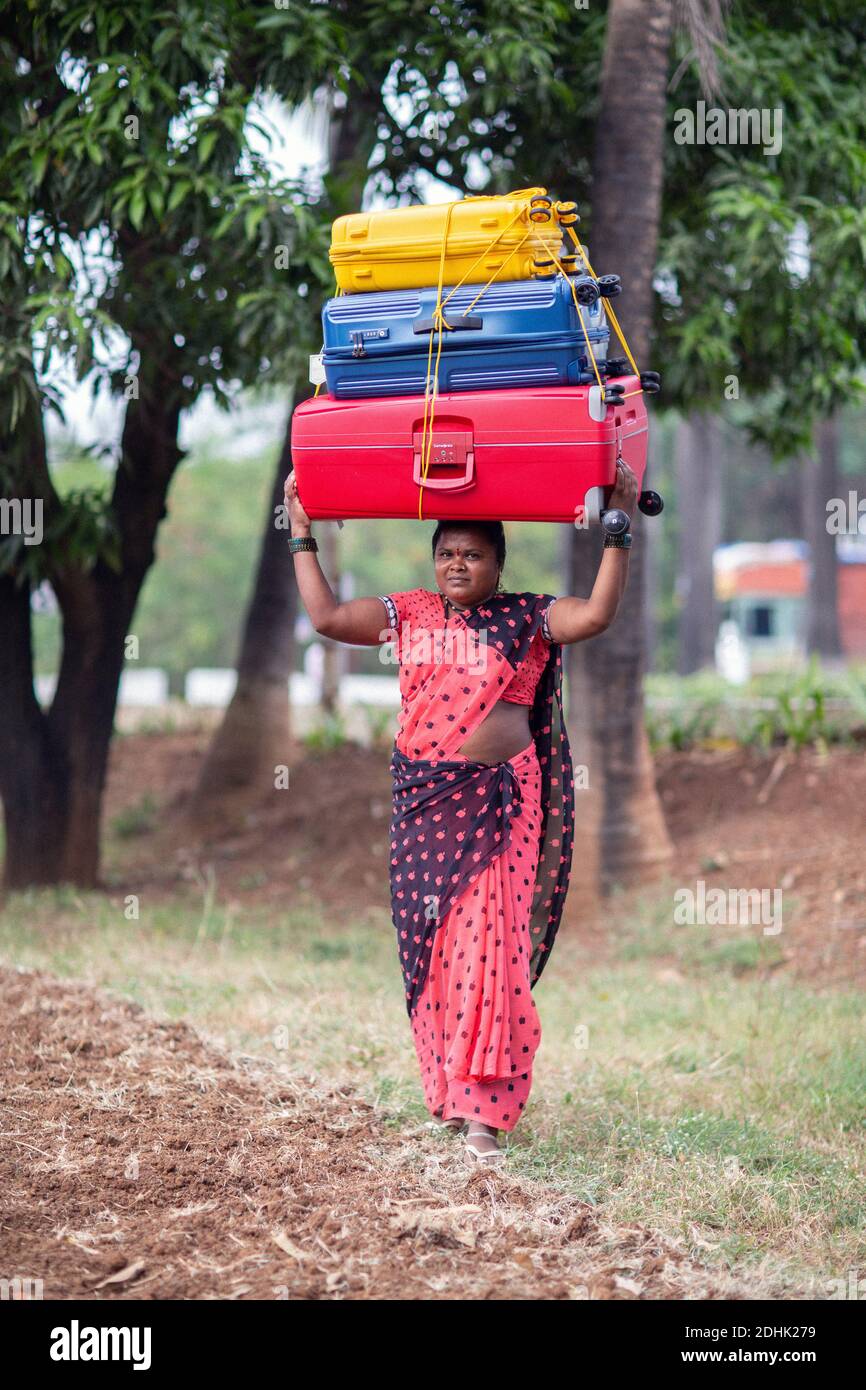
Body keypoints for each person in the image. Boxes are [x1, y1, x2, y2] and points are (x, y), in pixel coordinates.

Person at [283, 461, 639, 1165]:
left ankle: (484, 1114)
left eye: (473, 555)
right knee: (434, 951)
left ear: (498, 564)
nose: (457, 564)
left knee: (488, 949)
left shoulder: (530, 618)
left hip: (500, 803)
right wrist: (302, 535)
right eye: (446, 552)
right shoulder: (407, 614)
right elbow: (325, 618)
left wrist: (618, 526)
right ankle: (450, 1089)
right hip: (422, 801)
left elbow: (595, 615)